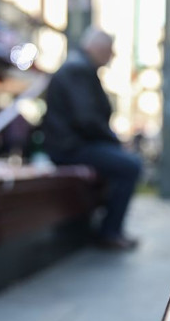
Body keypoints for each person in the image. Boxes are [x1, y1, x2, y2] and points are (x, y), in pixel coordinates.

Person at [41, 27, 142, 248]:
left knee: (124, 163)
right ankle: (110, 231)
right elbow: (86, 119)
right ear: (96, 47)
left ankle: (102, 227)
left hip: (73, 144)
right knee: (130, 165)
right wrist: (116, 142)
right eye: (109, 50)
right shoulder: (78, 69)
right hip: (71, 147)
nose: (111, 55)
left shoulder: (79, 66)